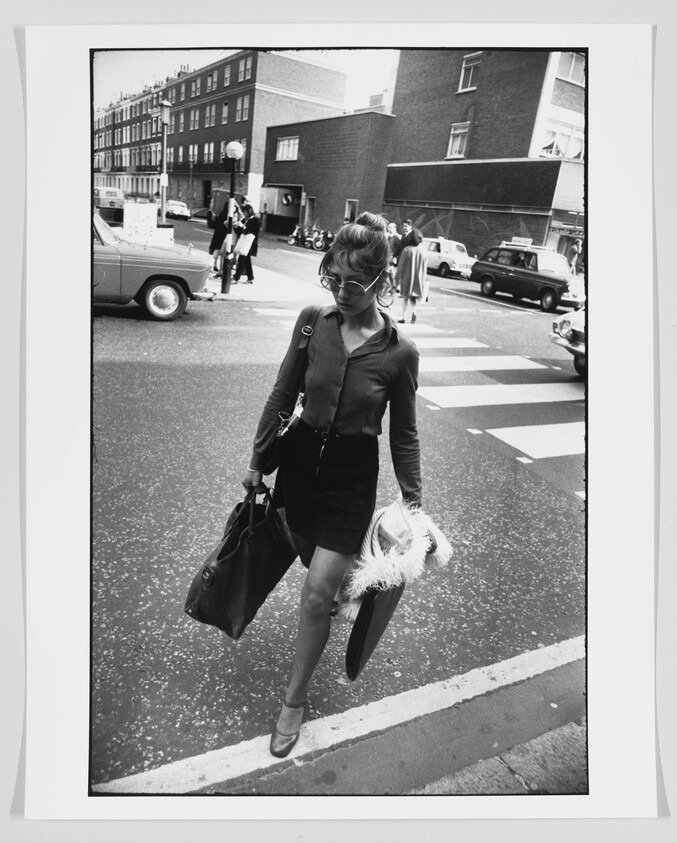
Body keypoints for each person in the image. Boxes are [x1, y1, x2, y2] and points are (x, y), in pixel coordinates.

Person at [242, 212, 422, 758]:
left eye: (353, 282)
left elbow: (405, 434)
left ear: (381, 283)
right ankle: (345, 582)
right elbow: (281, 394)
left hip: (350, 474)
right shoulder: (311, 322)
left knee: (314, 594)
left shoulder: (398, 352)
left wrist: (413, 505)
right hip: (299, 461)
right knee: (303, 550)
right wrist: (257, 459)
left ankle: (294, 701)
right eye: (332, 278)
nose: (340, 292)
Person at [395, 228, 428, 323]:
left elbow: (401, 266)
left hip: (407, 277)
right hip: (419, 279)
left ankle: (404, 317)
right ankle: (414, 312)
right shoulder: (424, 251)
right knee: (413, 298)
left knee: (405, 297)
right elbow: (425, 268)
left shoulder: (407, 250)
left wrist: (396, 279)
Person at [232, 204, 261, 284]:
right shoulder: (245, 220)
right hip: (244, 243)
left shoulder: (255, 220)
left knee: (242, 260)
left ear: (249, 212)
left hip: (250, 244)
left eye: (245, 212)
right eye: (243, 212)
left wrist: (243, 227)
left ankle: (236, 278)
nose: (244, 214)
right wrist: (236, 227)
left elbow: (252, 232)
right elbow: (239, 232)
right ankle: (250, 278)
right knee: (247, 261)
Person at [208, 206, 229, 274]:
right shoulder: (226, 215)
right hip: (221, 235)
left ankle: (214, 265)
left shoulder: (222, 213)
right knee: (217, 250)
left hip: (218, 234)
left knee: (216, 250)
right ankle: (213, 265)